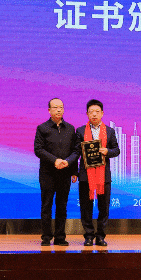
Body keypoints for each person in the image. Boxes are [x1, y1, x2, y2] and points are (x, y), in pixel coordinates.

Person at [34, 98, 78, 246]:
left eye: (61, 107)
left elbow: (75, 150)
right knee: (46, 205)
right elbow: (38, 149)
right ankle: (46, 237)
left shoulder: (70, 129)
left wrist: (73, 169)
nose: (59, 110)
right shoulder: (42, 128)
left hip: (65, 173)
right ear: (49, 110)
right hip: (47, 173)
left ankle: (60, 237)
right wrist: (55, 160)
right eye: (55, 107)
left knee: (62, 205)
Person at [75, 99, 120, 247]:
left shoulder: (110, 131)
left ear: (102, 113)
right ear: (87, 114)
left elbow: (116, 150)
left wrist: (107, 151)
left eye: (97, 112)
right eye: (91, 112)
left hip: (103, 175)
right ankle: (88, 236)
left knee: (103, 207)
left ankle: (100, 236)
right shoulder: (80, 131)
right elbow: (76, 152)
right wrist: (74, 171)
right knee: (86, 207)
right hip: (85, 175)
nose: (94, 114)